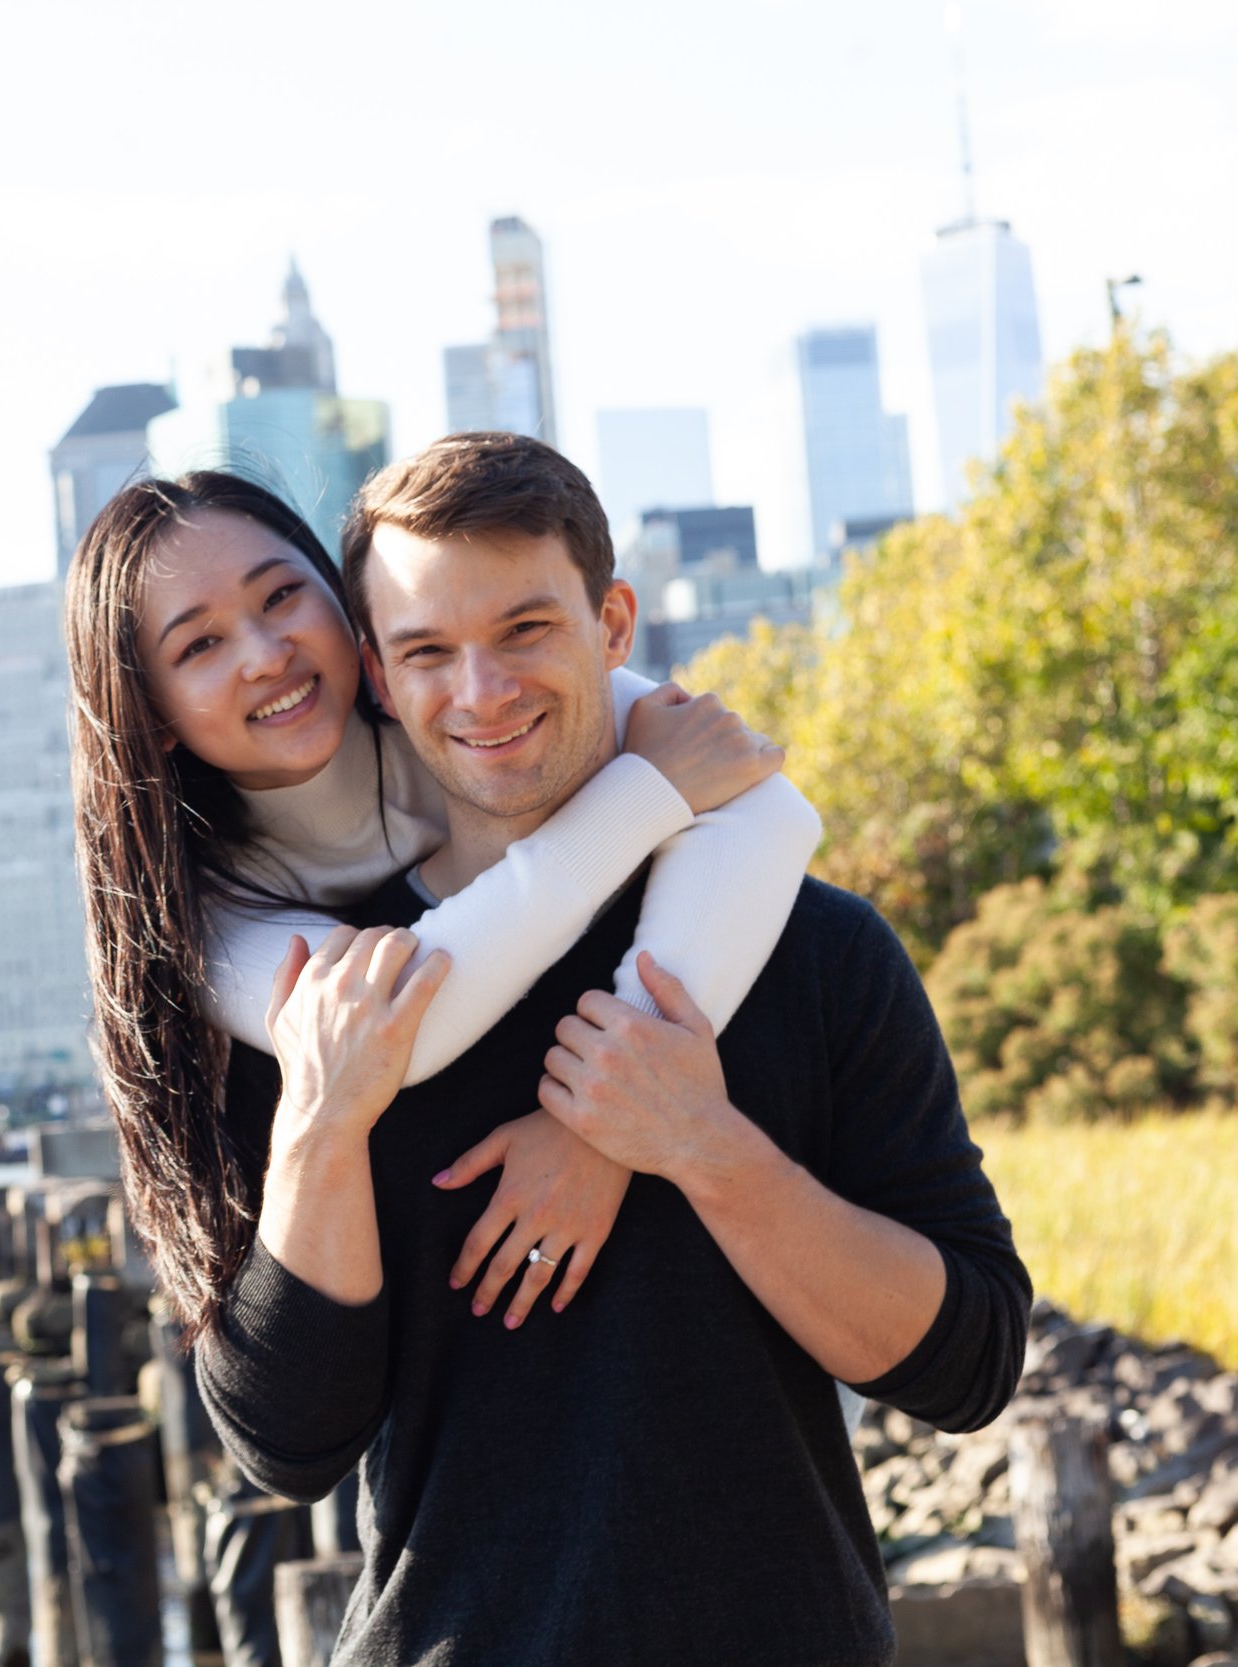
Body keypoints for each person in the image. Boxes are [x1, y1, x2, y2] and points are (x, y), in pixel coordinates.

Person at [193, 432, 1030, 1664]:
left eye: (526, 627)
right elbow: (289, 1443)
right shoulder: (336, 998)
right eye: (427, 649)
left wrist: (701, 1148)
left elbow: (969, 1364)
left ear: (614, 620)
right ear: (373, 670)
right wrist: (323, 1116)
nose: (480, 690)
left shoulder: (812, 946)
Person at [66, 468, 819, 1346]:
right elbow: (396, 1032)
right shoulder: (197, 911)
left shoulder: (466, 699)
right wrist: (643, 792)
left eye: (280, 596)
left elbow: (767, 807)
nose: (266, 653)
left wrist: (611, 1123)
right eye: (199, 646)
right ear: (150, 713)